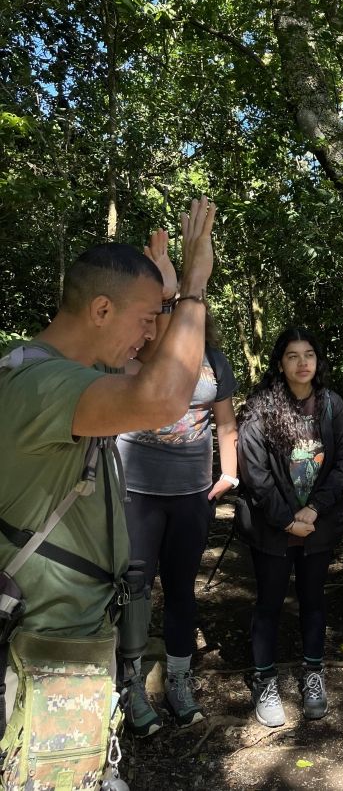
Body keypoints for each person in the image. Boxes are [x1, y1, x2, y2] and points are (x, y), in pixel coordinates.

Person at [0, 198, 215, 758]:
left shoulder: (62, 371)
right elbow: (164, 396)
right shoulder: (43, 387)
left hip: (62, 638)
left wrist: (166, 299)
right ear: (100, 310)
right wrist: (193, 286)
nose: (149, 337)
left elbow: (152, 370)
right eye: (144, 321)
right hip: (41, 644)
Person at [117, 302, 238, 735]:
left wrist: (229, 475)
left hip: (191, 494)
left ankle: (179, 679)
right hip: (135, 492)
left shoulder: (215, 361)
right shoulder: (137, 352)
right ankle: (129, 683)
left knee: (182, 588)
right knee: (133, 588)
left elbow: (225, 423)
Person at [236, 328, 343, 728]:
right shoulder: (261, 408)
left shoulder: (332, 406)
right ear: (280, 362)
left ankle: (313, 674)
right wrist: (287, 518)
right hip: (272, 528)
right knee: (268, 603)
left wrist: (313, 511)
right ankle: (264, 679)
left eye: (309, 354)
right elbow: (254, 472)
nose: (302, 362)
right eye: (292, 355)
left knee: (313, 600)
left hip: (317, 527)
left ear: (318, 361)